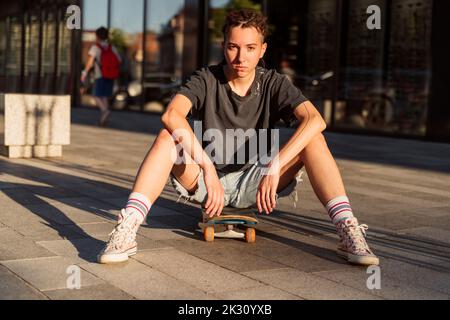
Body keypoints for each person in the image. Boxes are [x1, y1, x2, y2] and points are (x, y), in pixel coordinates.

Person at [97, 9, 379, 266]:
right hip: (206, 183)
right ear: (224, 47)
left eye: (250, 48)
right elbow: (171, 115)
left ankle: (347, 229)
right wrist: (207, 167)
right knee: (165, 136)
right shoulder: (206, 79)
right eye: (233, 47)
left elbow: (316, 120)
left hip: (258, 183)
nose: (240, 57)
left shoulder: (273, 83)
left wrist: (275, 164)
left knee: (314, 139)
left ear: (262, 50)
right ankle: (128, 228)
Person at [81, 27, 121, 126]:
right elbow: (119, 60)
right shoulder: (112, 47)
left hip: (100, 75)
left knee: (96, 95)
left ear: (97, 36)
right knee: (105, 96)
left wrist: (84, 73)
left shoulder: (95, 47)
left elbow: (90, 62)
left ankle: (105, 111)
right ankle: (104, 119)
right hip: (111, 75)